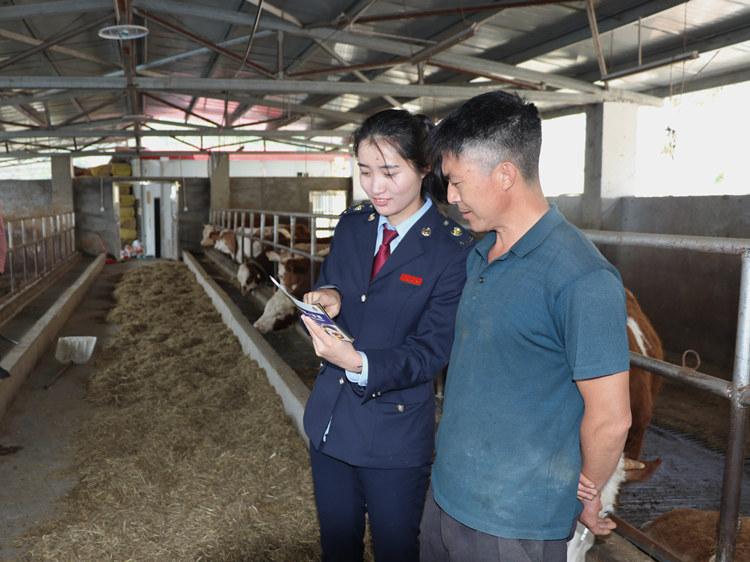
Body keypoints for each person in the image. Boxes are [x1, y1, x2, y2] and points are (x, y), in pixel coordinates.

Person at [419, 91, 632, 562]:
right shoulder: (479, 255)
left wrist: (586, 494)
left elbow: (612, 419)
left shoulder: (582, 277)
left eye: (456, 182)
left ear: (505, 175)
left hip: (515, 526)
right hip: (445, 498)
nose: (450, 197)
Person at [301, 109, 473, 562]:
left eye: (390, 171)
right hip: (330, 424)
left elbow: (433, 350)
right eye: (365, 171)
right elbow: (336, 279)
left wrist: (360, 363)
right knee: (337, 549)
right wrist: (329, 296)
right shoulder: (354, 224)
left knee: (397, 551)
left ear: (423, 167)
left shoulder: (451, 250)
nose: (375, 186)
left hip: (394, 438)